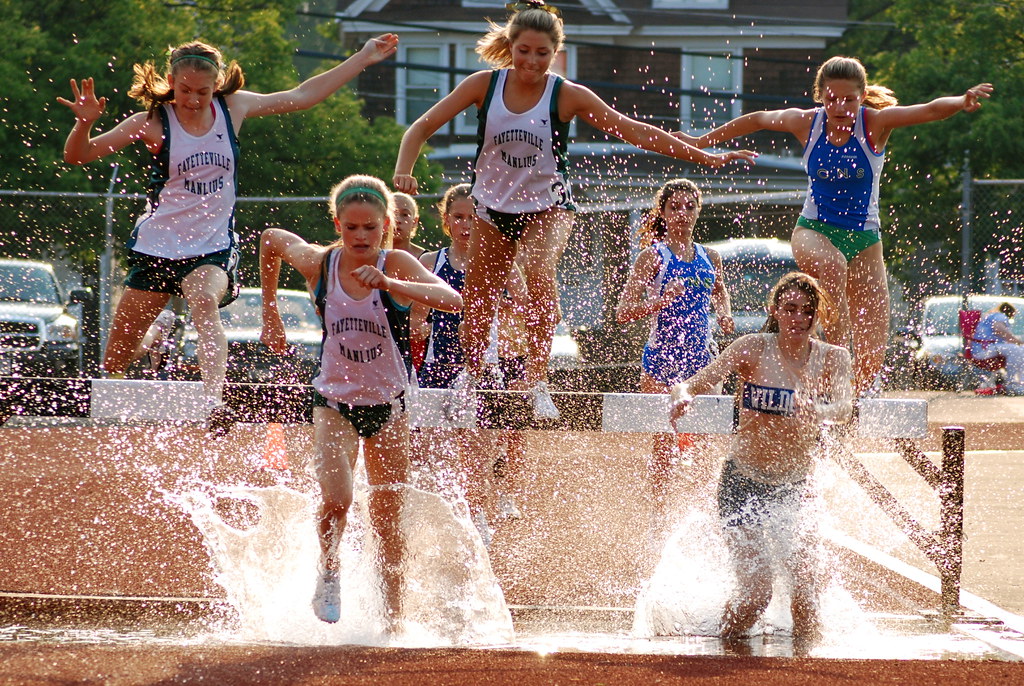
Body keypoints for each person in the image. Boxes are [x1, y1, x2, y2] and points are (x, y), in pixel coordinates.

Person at [393, 0, 755, 420]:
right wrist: (404, 169)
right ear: (510, 46)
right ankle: (474, 378)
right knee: (477, 302)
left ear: (556, 52)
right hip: (491, 208)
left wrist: (703, 155)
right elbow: (421, 127)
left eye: (542, 53)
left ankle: (536, 379)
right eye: (523, 51)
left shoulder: (565, 95)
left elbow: (635, 131)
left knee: (537, 267)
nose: (532, 62)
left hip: (548, 207)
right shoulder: (483, 86)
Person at [58, 34, 399, 433]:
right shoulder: (152, 122)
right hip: (156, 249)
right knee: (115, 360)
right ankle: (157, 333)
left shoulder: (232, 108)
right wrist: (84, 123)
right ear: (172, 81)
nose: (193, 99)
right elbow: (78, 155)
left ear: (216, 86)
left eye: (202, 92)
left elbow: (303, 95)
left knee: (204, 300)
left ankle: (214, 401)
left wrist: (362, 57)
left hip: (211, 248)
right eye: (185, 90)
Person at [684, 56, 992, 395]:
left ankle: (846, 404)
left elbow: (929, 110)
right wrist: (701, 142)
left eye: (849, 99)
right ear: (820, 96)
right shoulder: (806, 123)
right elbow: (758, 119)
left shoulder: (875, 123)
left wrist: (961, 101)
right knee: (833, 264)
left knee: (872, 357)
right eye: (831, 99)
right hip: (814, 230)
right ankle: (835, 359)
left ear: (862, 97)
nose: (840, 107)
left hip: (864, 240)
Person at [259, 175, 462, 628]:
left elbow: (451, 299)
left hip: (388, 406)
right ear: (338, 224)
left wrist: (390, 282)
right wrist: (270, 312)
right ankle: (329, 572)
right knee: (338, 499)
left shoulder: (398, 262)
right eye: (351, 227)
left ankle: (393, 619)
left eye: (370, 227)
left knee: (388, 522)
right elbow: (271, 239)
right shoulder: (321, 263)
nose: (361, 236)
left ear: (385, 225)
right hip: (334, 403)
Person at [668, 272, 852, 649]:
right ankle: (724, 647)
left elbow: (845, 408)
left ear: (817, 315)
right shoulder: (752, 347)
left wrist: (817, 409)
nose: (798, 318)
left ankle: (805, 668)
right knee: (756, 595)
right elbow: (694, 382)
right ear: (775, 311)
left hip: (795, 487)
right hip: (742, 483)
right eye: (790, 309)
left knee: (806, 598)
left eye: (807, 311)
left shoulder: (833, 358)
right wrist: (682, 396)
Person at [411, 183, 527, 544]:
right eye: (459, 217)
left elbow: (526, 314)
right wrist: (427, 323)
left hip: (483, 369)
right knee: (431, 453)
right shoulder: (430, 263)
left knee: (477, 451)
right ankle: (436, 517)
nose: (466, 225)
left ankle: (476, 518)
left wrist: (507, 310)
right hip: (439, 366)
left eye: (474, 218)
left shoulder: (500, 263)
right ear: (446, 221)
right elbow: (416, 321)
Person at [616, 179, 733, 532]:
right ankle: (659, 516)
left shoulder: (710, 257)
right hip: (661, 360)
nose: (682, 214)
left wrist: (724, 313)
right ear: (663, 213)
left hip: (702, 361)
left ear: (698, 212)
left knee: (704, 442)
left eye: (689, 207)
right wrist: (660, 301)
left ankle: (703, 517)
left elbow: (720, 291)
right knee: (664, 444)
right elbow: (623, 313)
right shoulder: (652, 257)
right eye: (675, 207)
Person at [973, 302, 1024, 393]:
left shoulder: (991, 316)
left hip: (982, 349)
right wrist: (1017, 341)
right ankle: (1013, 383)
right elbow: (999, 330)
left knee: (1019, 350)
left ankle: (1019, 383)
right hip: (985, 349)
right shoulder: (1000, 316)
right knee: (1016, 350)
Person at [392, 192, 427, 259]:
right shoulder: (372, 256)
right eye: (393, 214)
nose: (397, 220)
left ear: (414, 222)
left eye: (405, 215)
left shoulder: (428, 259)